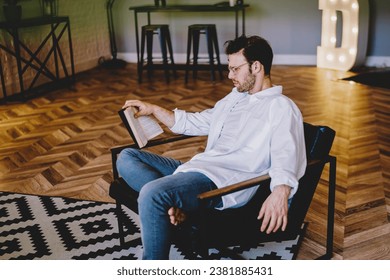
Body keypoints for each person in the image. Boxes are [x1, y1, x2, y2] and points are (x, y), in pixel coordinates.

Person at [116, 35, 307, 260]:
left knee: (152, 193)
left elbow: (287, 152)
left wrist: (281, 191)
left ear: (256, 66)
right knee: (126, 157)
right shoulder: (235, 97)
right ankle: (177, 207)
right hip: (197, 168)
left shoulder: (281, 107)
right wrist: (154, 109)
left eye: (235, 69)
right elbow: (198, 121)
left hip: (221, 180)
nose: (229, 75)